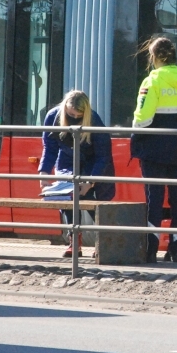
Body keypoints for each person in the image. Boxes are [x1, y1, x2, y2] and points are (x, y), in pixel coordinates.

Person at [131, 36, 177, 263]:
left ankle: (151, 251)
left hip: (154, 152)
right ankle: (176, 251)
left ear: (153, 57)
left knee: (155, 200)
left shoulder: (151, 82)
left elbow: (142, 121)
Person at [38, 90, 115, 258]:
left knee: (93, 202)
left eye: (77, 115)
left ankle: (102, 242)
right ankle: (74, 241)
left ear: (84, 113)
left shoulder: (94, 120)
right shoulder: (53, 116)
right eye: (69, 113)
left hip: (94, 162)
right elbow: (50, 147)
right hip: (67, 161)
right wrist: (44, 172)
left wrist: (89, 181)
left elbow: (103, 155)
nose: (72, 117)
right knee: (67, 197)